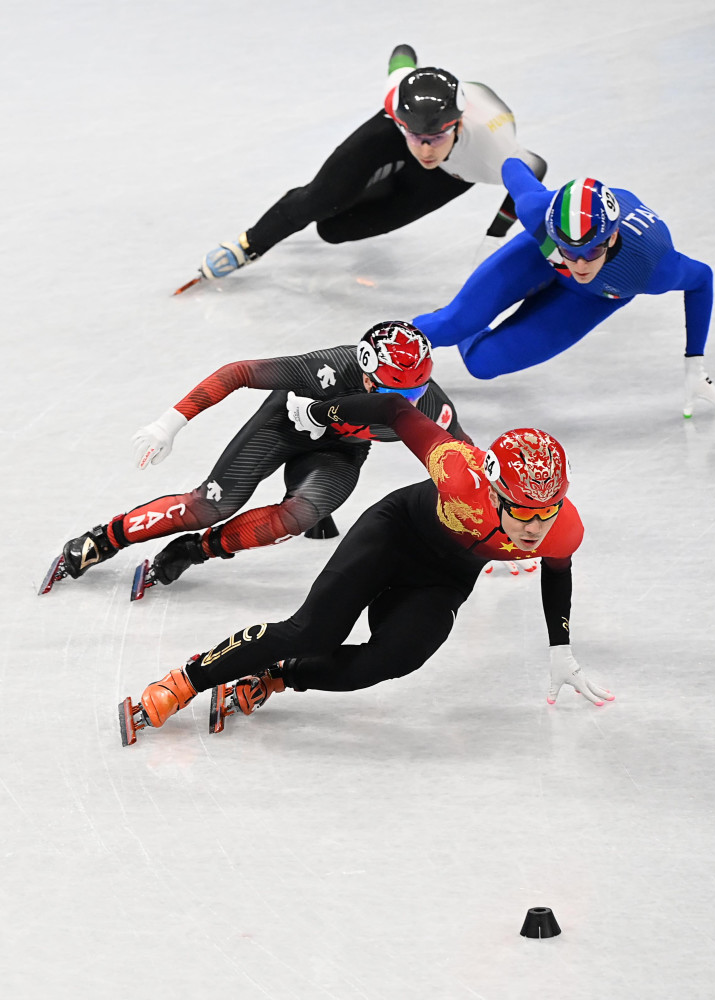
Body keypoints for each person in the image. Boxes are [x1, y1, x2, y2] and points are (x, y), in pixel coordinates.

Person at [118, 390, 613, 747]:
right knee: (310, 631)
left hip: (445, 578)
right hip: (396, 532)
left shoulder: (563, 527)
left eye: (546, 511)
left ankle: (276, 677)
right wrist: (320, 413)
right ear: (494, 490)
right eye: (523, 511)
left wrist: (560, 647)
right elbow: (395, 410)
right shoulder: (458, 469)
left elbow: (557, 569)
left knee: (395, 659)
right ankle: (185, 680)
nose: (535, 527)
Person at [40, 322, 470, 597]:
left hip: (340, 449)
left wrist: (494, 521)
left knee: (298, 515)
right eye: (395, 392)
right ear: (364, 372)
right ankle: (107, 538)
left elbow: (466, 460)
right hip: (283, 425)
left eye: (416, 391)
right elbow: (239, 372)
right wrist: (168, 423)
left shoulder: (429, 403)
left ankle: (197, 550)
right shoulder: (328, 369)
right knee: (209, 507)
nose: (408, 403)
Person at [412, 159, 715, 419]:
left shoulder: (654, 267)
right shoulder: (537, 211)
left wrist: (694, 365)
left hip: (592, 297)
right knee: (451, 326)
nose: (581, 264)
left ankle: (466, 319)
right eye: (570, 251)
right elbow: (513, 165)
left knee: (482, 364)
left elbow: (702, 279)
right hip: (538, 257)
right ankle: (368, 356)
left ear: (612, 237)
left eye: (592, 251)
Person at [193, 45, 546, 285]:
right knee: (319, 200)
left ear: (456, 124)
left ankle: (360, 190)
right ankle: (248, 245)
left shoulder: (493, 150)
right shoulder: (397, 99)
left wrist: (494, 236)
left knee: (334, 230)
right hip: (391, 138)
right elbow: (402, 55)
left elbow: (536, 167)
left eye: (436, 138)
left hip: (451, 175)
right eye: (416, 136)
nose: (425, 149)